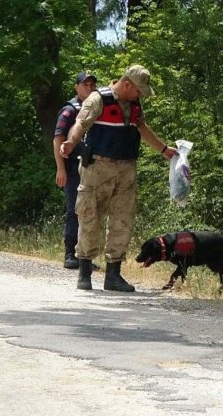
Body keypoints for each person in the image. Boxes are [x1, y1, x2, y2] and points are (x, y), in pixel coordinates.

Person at [60, 64, 177, 292]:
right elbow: (80, 124)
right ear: (127, 84)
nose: (140, 95)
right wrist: (71, 142)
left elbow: (142, 128)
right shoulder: (98, 99)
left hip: (126, 167)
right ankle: (84, 273)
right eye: (138, 90)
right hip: (98, 167)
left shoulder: (134, 104)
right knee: (90, 216)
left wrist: (164, 150)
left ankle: (113, 275)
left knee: (122, 219)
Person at [52, 71, 99, 269]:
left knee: (91, 211)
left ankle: (85, 257)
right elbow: (58, 139)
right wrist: (60, 169)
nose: (89, 88)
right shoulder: (70, 110)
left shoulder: (97, 107)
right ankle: (70, 254)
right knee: (74, 210)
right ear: (76, 87)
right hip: (73, 168)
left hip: (93, 167)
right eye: (85, 84)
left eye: (92, 85)